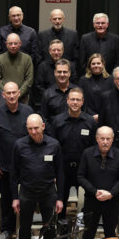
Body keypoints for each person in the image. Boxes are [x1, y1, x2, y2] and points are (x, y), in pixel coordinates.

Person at [11, 114, 64, 239]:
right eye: (30, 129)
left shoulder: (54, 145)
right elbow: (14, 174)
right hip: (27, 192)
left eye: (36, 128)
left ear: (43, 126)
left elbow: (60, 173)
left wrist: (60, 198)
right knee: (24, 228)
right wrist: (15, 198)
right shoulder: (19, 145)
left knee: (49, 228)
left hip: (48, 192)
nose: (33, 132)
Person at [0, 82, 33, 239]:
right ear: (3, 95)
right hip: (5, 165)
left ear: (19, 93)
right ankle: (7, 229)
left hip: (26, 166)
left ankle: (25, 231)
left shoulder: (28, 112)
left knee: (27, 199)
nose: (12, 96)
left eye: (14, 92)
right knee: (6, 199)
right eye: (8, 93)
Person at [48, 88, 97, 219]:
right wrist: (53, 172)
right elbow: (52, 148)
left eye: (78, 100)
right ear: (67, 101)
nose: (75, 102)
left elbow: (94, 148)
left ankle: (84, 234)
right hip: (63, 169)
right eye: (72, 99)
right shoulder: (58, 121)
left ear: (82, 102)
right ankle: (61, 236)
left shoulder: (90, 122)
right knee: (60, 205)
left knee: (86, 204)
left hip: (84, 170)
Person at [77, 126, 119, 239]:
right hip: (91, 200)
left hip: (112, 201)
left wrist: (111, 193)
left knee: (110, 234)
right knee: (89, 233)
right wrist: (95, 192)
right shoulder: (87, 153)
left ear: (112, 139)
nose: (105, 142)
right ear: (97, 139)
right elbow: (80, 176)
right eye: (102, 139)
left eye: (108, 139)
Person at [34, 40, 77, 107]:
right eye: (54, 50)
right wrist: (51, 97)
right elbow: (39, 86)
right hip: (48, 102)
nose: (56, 52)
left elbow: (73, 84)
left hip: (67, 102)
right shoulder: (42, 66)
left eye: (59, 50)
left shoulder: (70, 66)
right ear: (49, 51)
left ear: (63, 51)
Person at [0, 32, 34, 103]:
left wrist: (17, 94)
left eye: (15, 43)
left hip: (22, 99)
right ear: (6, 44)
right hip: (4, 99)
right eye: (10, 43)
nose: (13, 46)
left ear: (20, 44)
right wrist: (8, 94)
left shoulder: (27, 59)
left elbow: (29, 80)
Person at [40, 60, 78, 125]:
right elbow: (44, 119)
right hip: (54, 133)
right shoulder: (47, 94)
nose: (62, 75)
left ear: (69, 73)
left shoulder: (77, 92)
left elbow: (83, 114)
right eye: (59, 72)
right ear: (55, 73)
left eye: (65, 72)